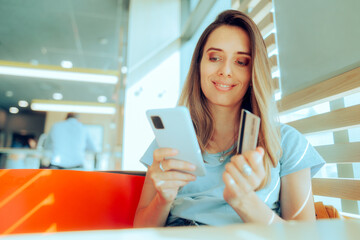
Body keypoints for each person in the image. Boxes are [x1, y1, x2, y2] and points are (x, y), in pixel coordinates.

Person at [133, 10, 325, 227]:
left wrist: (244, 201)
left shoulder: (289, 143)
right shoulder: (169, 141)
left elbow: (303, 236)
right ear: (198, 66)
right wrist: (163, 199)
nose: (225, 71)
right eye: (215, 58)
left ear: (254, 72)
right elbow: (141, 229)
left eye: (241, 62)